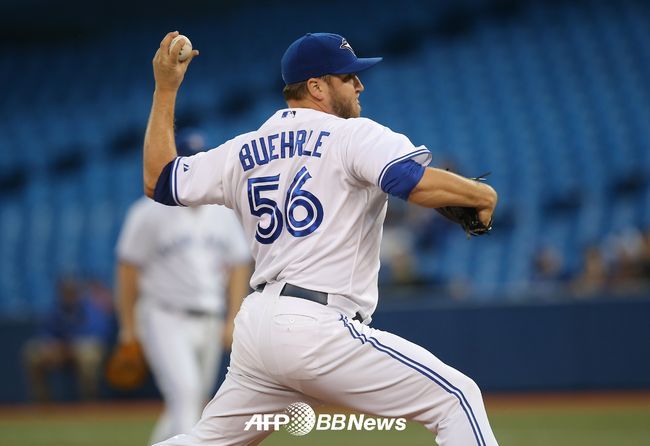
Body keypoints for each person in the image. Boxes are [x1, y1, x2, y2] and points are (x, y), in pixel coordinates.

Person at [143, 31, 499, 446]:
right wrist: (481, 194)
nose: (359, 84)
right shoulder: (352, 134)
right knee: (456, 399)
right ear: (316, 86)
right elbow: (408, 179)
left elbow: (159, 180)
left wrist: (165, 89)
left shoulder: (241, 150)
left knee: (206, 442)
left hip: (258, 328)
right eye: (348, 77)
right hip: (317, 325)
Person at [115, 128, 252, 444]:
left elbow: (238, 263)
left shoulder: (222, 210)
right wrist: (128, 328)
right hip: (165, 316)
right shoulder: (148, 211)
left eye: (198, 159)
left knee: (191, 402)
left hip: (210, 317)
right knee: (187, 395)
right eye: (187, 159)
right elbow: (127, 270)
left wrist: (232, 318)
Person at [23, 276, 112, 402]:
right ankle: (42, 402)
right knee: (32, 353)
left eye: (72, 292)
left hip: (81, 350)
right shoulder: (56, 310)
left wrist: (72, 344)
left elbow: (98, 334)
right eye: (65, 292)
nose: (68, 295)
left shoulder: (90, 310)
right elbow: (44, 332)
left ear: (78, 293)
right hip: (60, 351)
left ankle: (90, 401)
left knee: (89, 356)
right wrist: (51, 343)